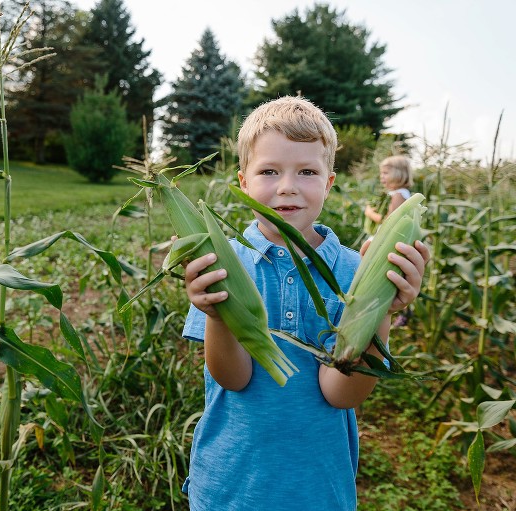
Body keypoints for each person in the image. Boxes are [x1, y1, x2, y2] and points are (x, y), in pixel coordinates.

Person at [180, 96, 430, 510]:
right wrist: (216, 312)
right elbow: (232, 379)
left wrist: (380, 309)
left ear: (329, 183)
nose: (287, 186)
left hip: (318, 490)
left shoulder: (356, 271)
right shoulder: (221, 262)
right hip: (230, 487)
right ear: (244, 182)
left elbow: (342, 394)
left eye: (307, 171)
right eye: (270, 171)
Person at [364, 154, 413, 227]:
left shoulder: (399, 195)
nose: (381, 176)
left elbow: (388, 221)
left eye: (385, 173)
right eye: (381, 173)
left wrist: (370, 213)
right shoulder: (394, 193)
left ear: (399, 174)